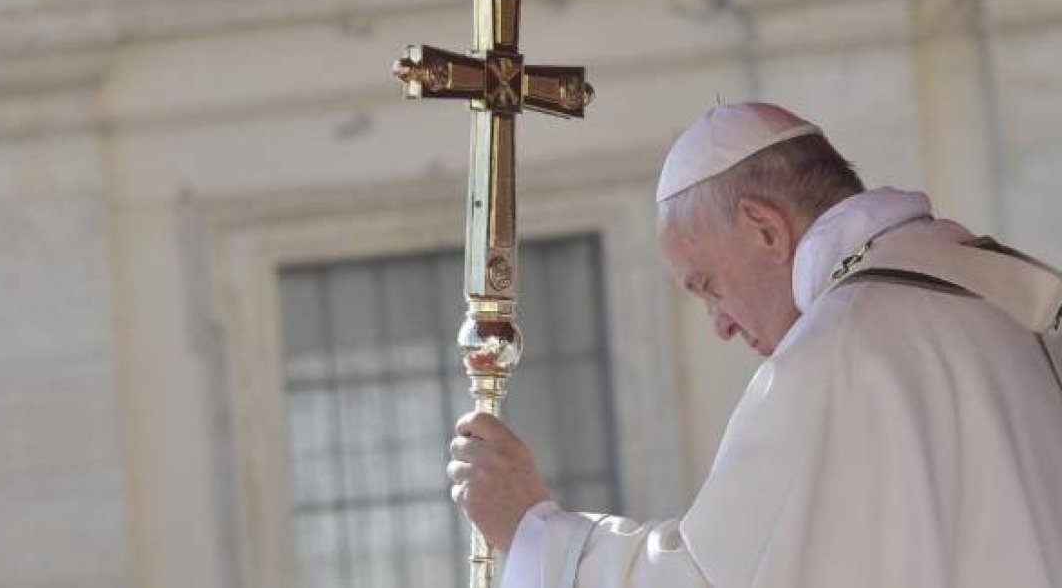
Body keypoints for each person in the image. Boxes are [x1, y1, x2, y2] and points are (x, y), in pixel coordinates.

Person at [446, 102, 1062, 588]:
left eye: (708, 286)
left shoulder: (839, 350)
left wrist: (535, 534)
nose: (720, 324)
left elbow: (711, 577)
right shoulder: (1009, 302)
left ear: (765, 229)